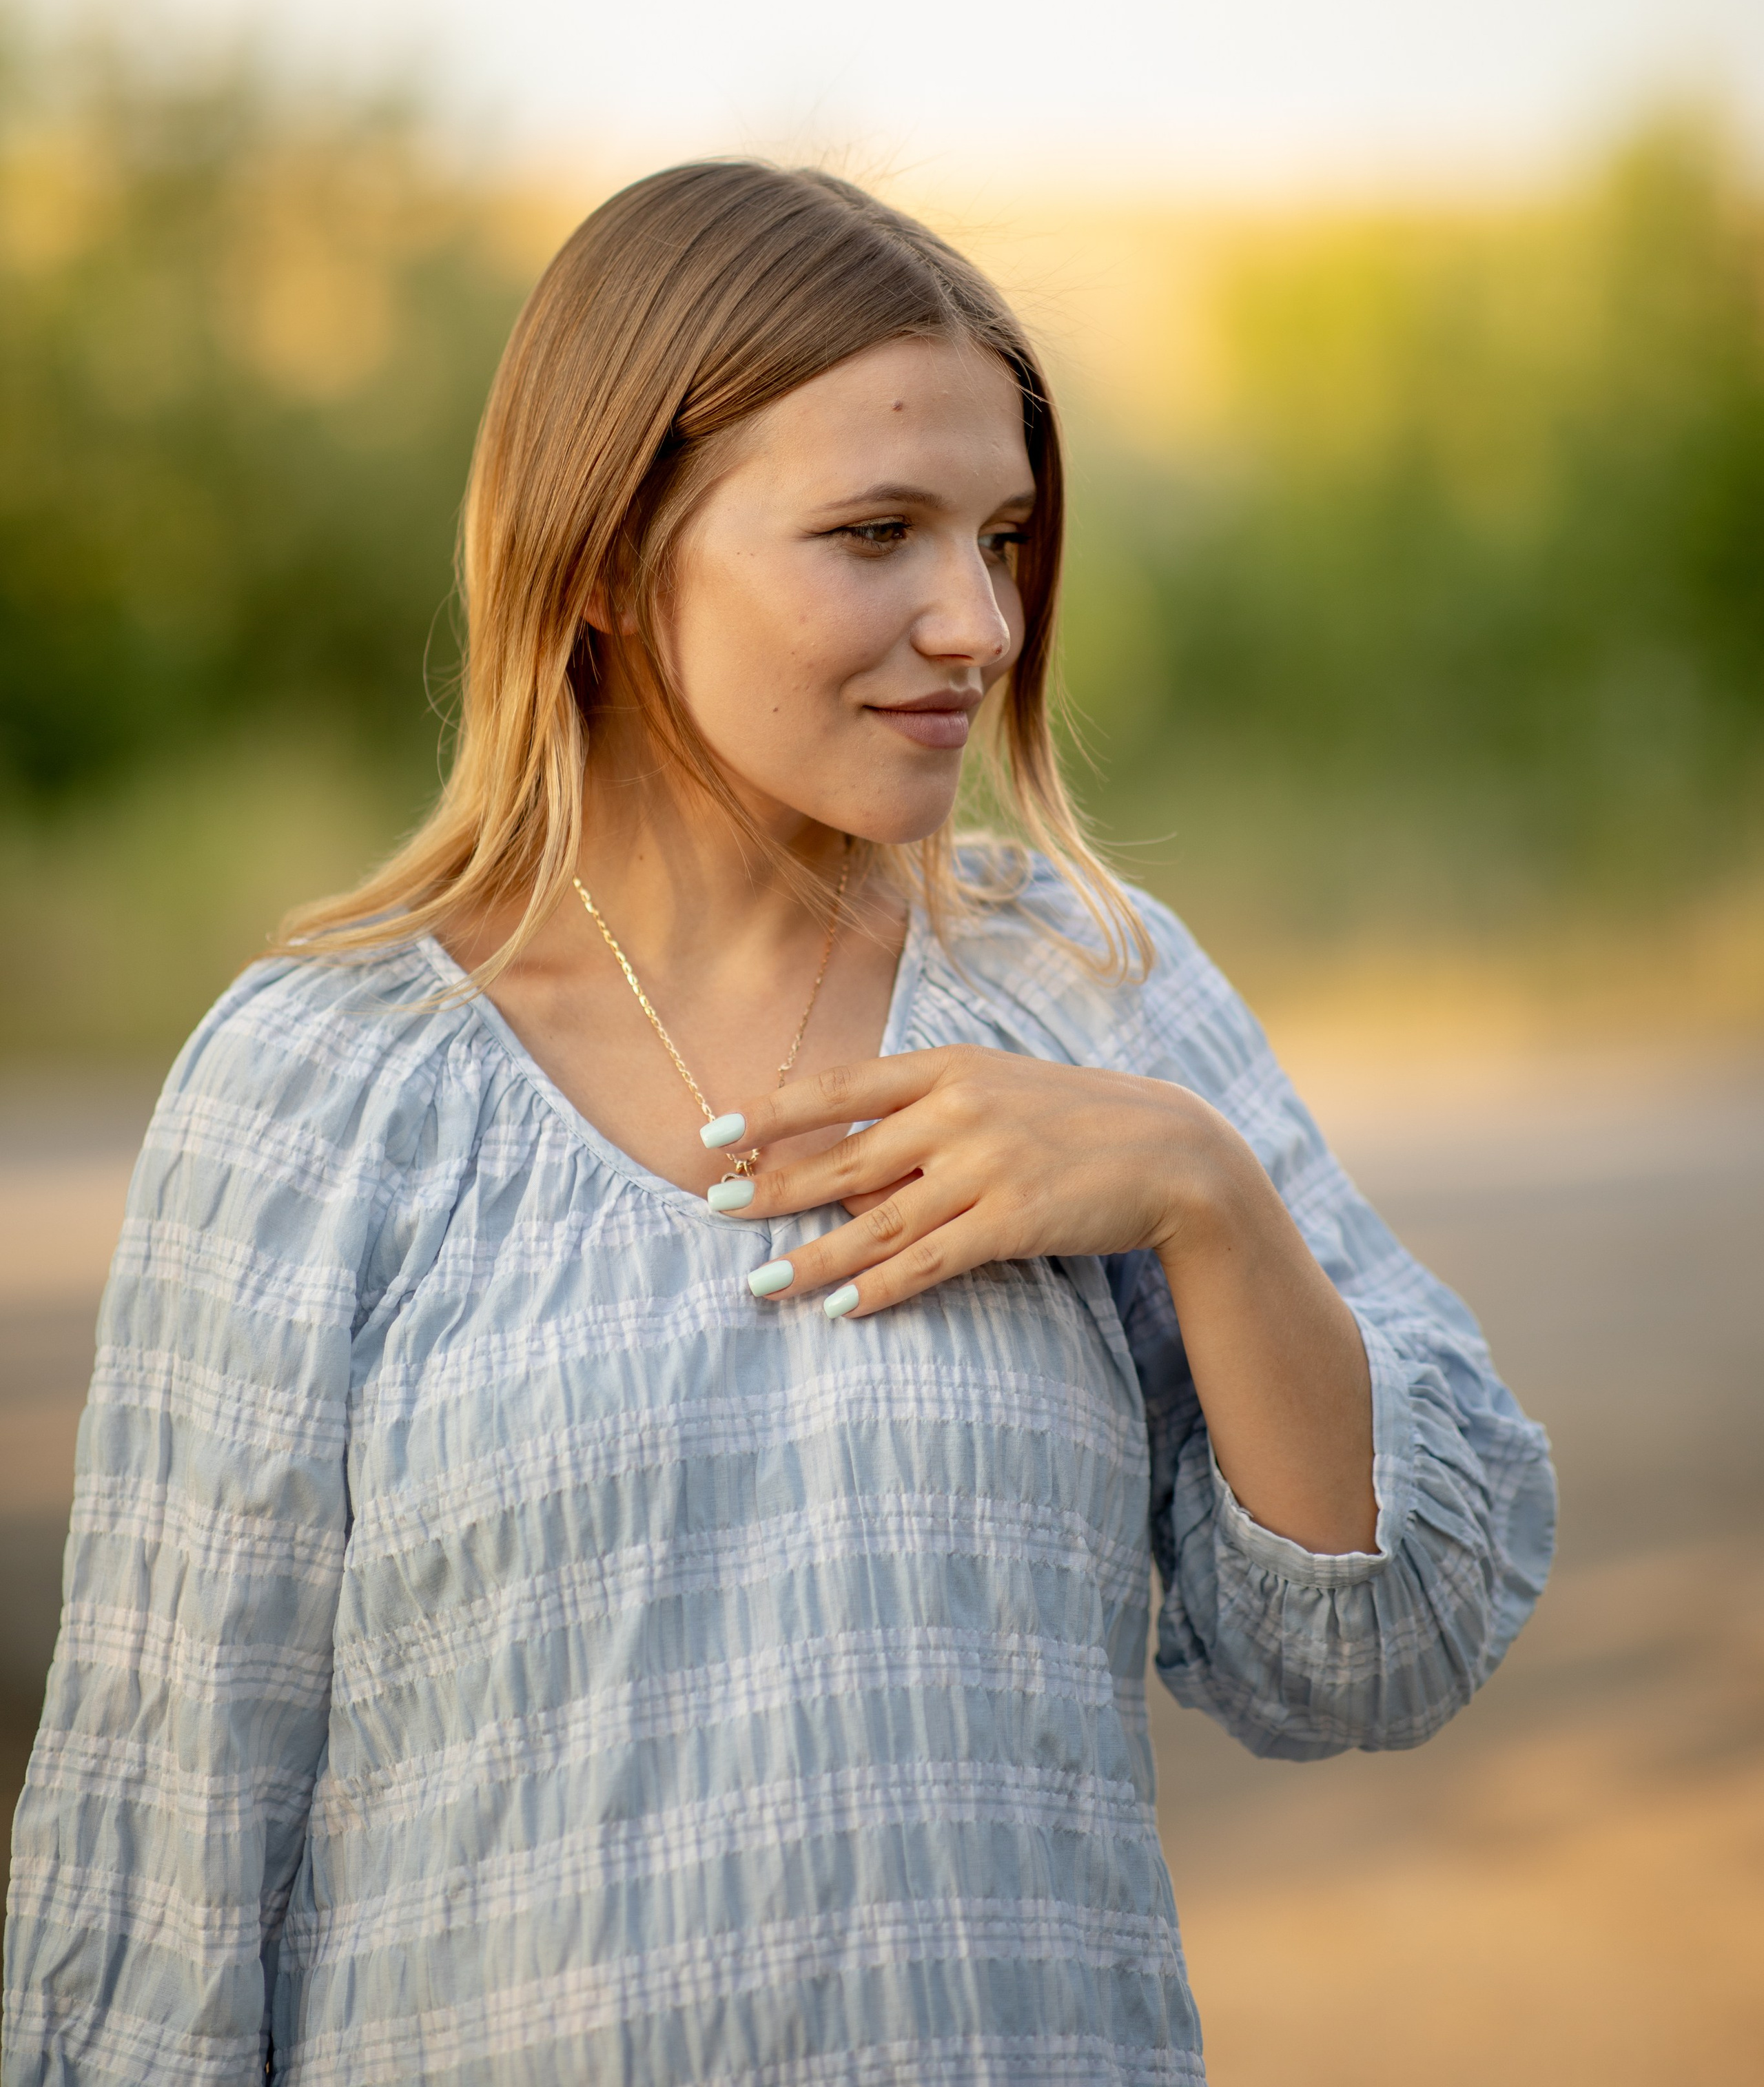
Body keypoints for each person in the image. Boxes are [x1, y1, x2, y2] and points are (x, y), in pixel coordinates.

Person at [2, 163, 1555, 2086]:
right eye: (876, 531)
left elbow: (1388, 1642)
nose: (978, 621)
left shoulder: (1096, 989)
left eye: (1001, 536)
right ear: (600, 556)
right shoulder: (322, 1085)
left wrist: (1202, 1194)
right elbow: (158, 1863)